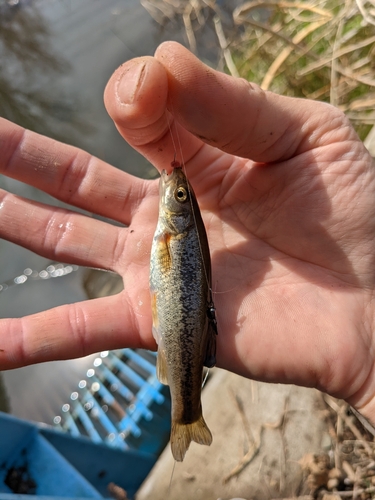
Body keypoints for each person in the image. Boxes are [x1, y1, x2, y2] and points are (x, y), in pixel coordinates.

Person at [1, 42, 375, 425]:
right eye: (183, 194)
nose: (175, 189)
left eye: (179, 195)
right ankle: (188, 413)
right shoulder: (174, 233)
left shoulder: (173, 232)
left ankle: (187, 414)